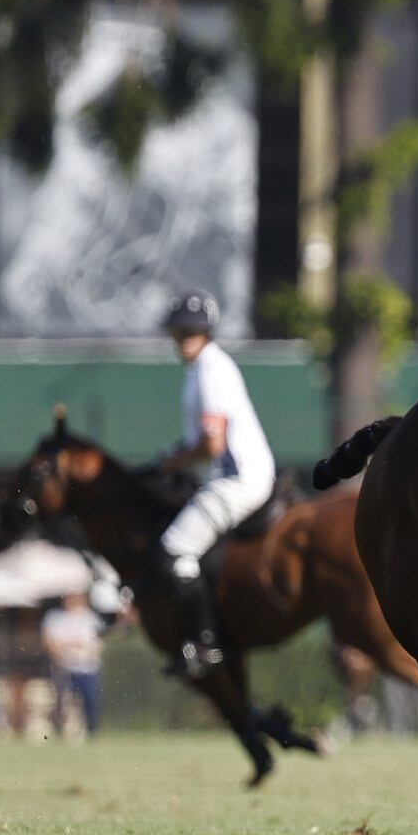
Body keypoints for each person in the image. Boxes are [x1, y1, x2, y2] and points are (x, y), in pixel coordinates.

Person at [151, 289, 277, 678]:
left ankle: (205, 643)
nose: (186, 337)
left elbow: (213, 443)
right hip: (230, 477)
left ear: (206, 333)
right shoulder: (204, 368)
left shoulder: (211, 369)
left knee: (174, 551)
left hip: (239, 480)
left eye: (193, 330)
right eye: (182, 330)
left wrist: (175, 460)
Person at [41, 591, 105, 736]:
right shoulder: (56, 618)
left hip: (87, 668)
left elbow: (97, 644)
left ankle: (92, 731)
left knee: (90, 700)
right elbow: (51, 641)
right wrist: (65, 656)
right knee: (62, 702)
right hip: (65, 667)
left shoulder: (91, 619)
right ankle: (59, 731)